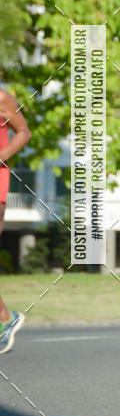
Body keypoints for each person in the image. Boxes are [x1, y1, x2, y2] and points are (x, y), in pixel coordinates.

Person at [0, 87, 32, 354]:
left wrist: (3, 154)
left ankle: (5, 319)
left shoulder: (1, 98)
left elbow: (24, 132)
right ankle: (5, 318)